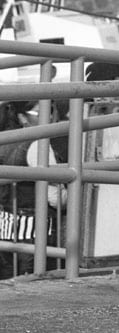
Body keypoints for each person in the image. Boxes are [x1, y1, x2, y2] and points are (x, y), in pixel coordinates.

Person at [0, 100, 68, 278]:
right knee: (38, 279)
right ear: (22, 117)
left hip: (5, 226)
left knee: (9, 283)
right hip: (36, 228)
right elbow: (55, 198)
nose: (51, 118)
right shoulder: (35, 144)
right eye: (42, 113)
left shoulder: (4, 140)